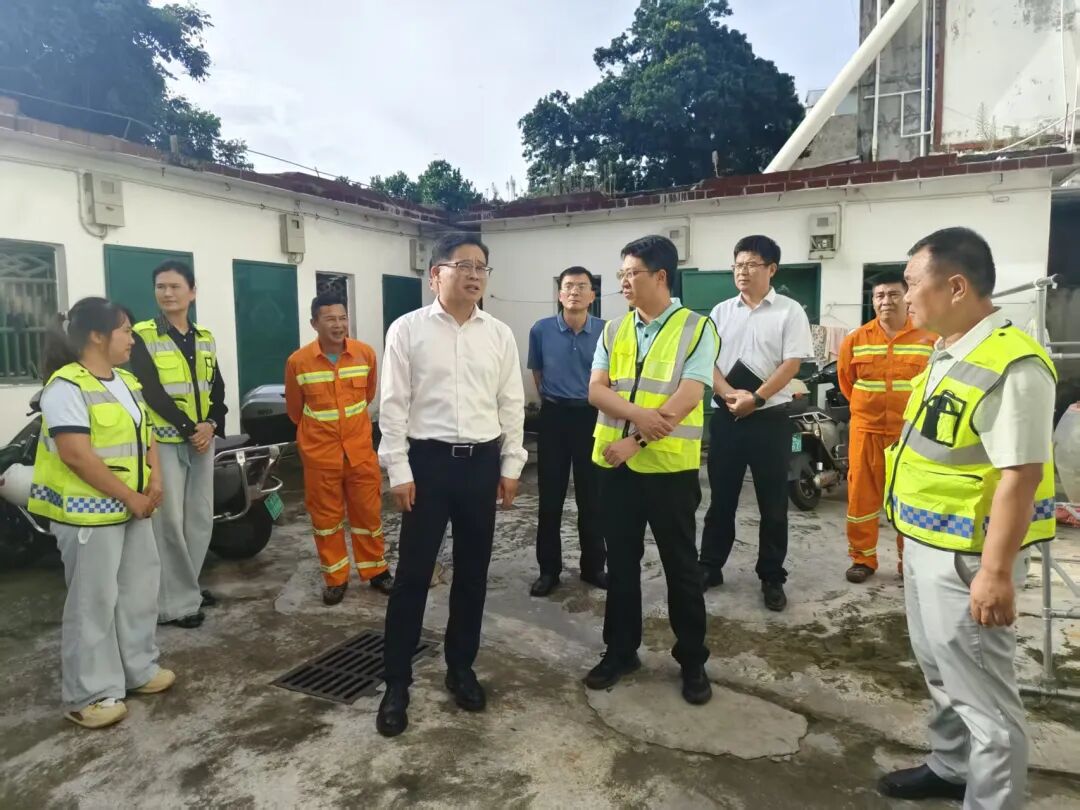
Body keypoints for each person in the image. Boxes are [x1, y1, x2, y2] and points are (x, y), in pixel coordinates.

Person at [878, 227, 1056, 807]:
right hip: (926, 544)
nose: (905, 297)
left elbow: (1020, 476)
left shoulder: (1013, 364)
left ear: (955, 286)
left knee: (986, 703)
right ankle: (952, 767)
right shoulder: (949, 352)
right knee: (941, 671)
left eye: (912, 284)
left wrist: (996, 573)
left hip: (969, 560)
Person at [375, 232, 526, 737]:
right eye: (464, 265)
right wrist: (399, 469)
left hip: (481, 464)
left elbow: (511, 403)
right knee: (413, 575)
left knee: (472, 574)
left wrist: (511, 464)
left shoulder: (499, 334)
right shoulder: (407, 330)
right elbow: (393, 405)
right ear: (435, 274)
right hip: (428, 465)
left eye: (482, 267)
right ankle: (396, 683)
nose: (475, 274)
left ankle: (460, 668)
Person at [583, 234, 718, 705]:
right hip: (613, 468)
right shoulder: (612, 329)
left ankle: (693, 660)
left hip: (668, 471)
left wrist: (634, 440)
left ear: (660, 276)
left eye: (631, 274)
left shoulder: (697, 328)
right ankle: (621, 651)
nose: (623, 282)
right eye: (620, 274)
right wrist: (639, 416)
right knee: (620, 564)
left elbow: (688, 397)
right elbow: (595, 390)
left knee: (681, 567)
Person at [28, 297, 175, 729]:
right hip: (88, 516)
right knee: (93, 604)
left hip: (133, 509)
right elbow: (76, 455)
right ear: (96, 335)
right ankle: (89, 694)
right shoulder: (65, 387)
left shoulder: (126, 381)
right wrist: (131, 497)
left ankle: (138, 669)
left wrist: (156, 479)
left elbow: (147, 435)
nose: (132, 339)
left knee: (137, 593)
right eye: (125, 330)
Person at [700, 235, 813, 611]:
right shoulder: (720, 311)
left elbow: (791, 364)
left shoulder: (789, 311)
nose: (742, 272)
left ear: (771, 269)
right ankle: (710, 566)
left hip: (770, 420)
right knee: (721, 499)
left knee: (773, 503)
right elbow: (707, 360)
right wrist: (728, 393)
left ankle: (771, 575)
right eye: (738, 265)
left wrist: (758, 398)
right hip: (727, 417)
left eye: (751, 264)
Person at [130, 260, 226, 629]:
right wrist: (191, 429)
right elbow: (150, 390)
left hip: (201, 441)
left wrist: (211, 424)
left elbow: (216, 387)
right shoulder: (142, 336)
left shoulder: (204, 337)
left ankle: (189, 588)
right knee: (168, 521)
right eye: (160, 287)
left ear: (192, 292)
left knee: (199, 518)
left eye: (174, 286)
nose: (167, 293)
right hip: (165, 443)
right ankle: (173, 605)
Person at [284, 294, 393, 604]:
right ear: (314, 323)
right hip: (321, 457)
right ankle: (336, 578)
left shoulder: (364, 354)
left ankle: (376, 570)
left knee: (368, 515)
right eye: (330, 319)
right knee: (326, 521)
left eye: (342, 318)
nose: (338, 324)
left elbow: (368, 396)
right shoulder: (298, 362)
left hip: (359, 453)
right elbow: (295, 410)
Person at [838, 275, 935, 583]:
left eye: (893, 294)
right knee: (861, 496)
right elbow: (846, 382)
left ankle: (910, 562)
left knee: (911, 498)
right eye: (879, 295)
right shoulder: (856, 339)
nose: (886, 301)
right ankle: (862, 559)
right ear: (873, 300)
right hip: (866, 431)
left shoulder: (930, 338)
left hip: (910, 434)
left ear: (906, 298)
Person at [526, 266, 607, 597]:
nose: (575, 291)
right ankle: (549, 570)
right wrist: (553, 399)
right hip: (554, 417)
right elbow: (538, 372)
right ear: (560, 294)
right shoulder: (541, 330)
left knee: (593, 497)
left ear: (592, 295)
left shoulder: (606, 330)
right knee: (550, 497)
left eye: (582, 286)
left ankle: (593, 567)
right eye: (569, 286)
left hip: (592, 417)